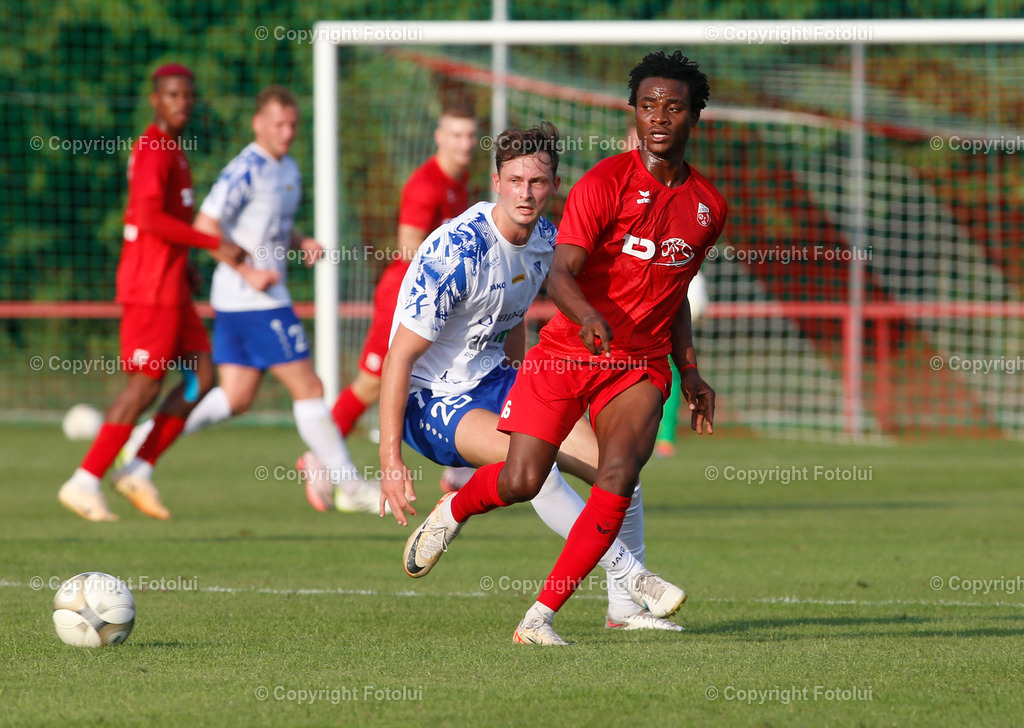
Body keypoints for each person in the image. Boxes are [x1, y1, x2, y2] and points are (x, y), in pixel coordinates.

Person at [402, 50, 726, 645]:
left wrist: (691, 370)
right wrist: (587, 317)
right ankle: (454, 510)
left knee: (620, 474)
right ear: (634, 112)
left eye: (673, 106)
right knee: (525, 477)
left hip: (638, 367)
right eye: (648, 104)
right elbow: (561, 274)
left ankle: (565, 613)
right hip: (566, 357)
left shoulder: (708, 208)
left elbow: (675, 293)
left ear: (694, 117)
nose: (659, 116)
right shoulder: (604, 184)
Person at [116, 86, 383, 514]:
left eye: (293, 124)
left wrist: (301, 241)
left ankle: (141, 438)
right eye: (278, 123)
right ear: (258, 123)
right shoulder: (246, 169)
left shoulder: (287, 167)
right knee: (310, 387)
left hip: (242, 301)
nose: (287, 131)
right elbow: (207, 224)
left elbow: (271, 226)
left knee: (236, 397)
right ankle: (351, 487)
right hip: (256, 299)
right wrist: (247, 270)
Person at [58, 64, 245, 521]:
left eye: (188, 95)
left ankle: (138, 467)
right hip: (149, 290)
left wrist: (186, 271)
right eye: (173, 95)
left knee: (202, 376)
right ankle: (84, 480)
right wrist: (211, 242)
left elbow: (165, 226)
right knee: (143, 386)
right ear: (155, 100)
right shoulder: (153, 148)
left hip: (171, 287)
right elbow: (148, 219)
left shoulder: (174, 151)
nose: (182, 103)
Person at [317, 106, 478, 497]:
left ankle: (461, 470)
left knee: (457, 370)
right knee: (372, 384)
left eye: (471, 136)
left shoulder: (461, 182)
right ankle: (320, 458)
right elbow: (409, 246)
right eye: (456, 135)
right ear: (439, 136)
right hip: (405, 296)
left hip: (438, 296)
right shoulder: (427, 185)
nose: (465, 144)